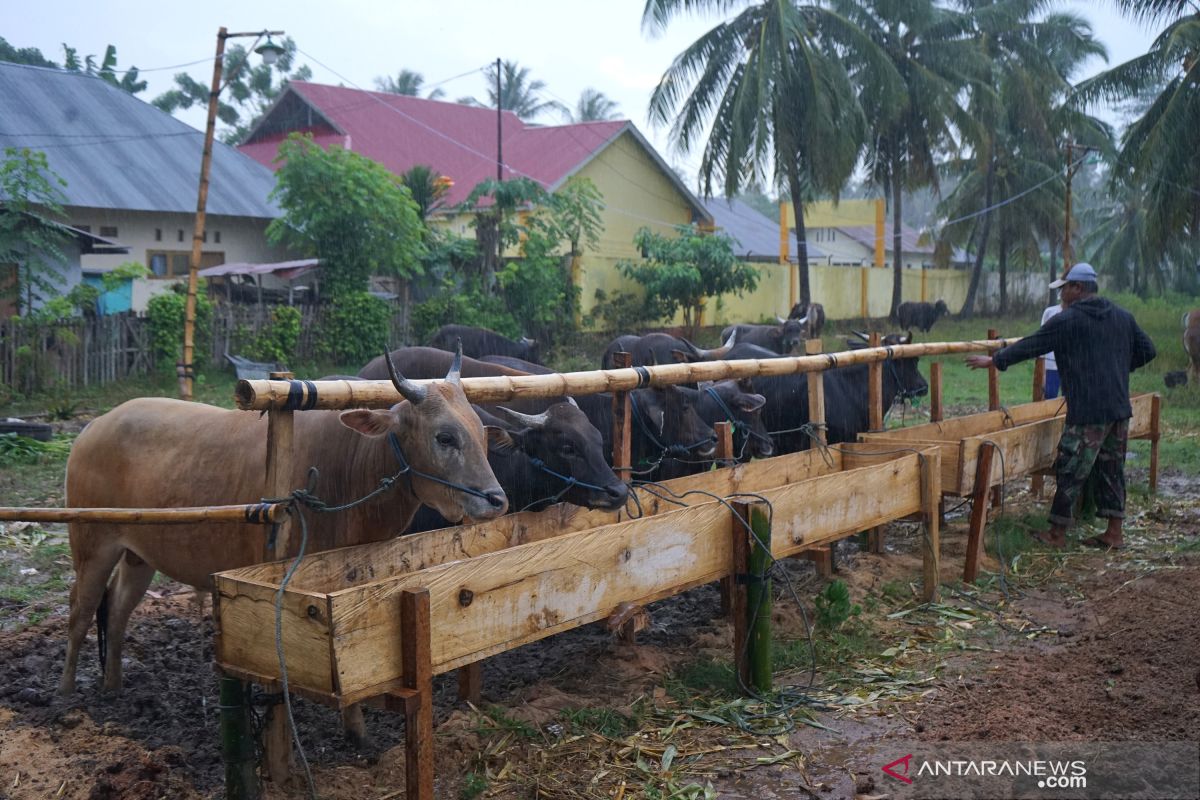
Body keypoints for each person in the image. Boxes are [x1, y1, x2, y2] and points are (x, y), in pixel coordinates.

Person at [966, 263, 1156, 549]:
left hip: (1087, 412)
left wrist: (995, 360)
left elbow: (1033, 344)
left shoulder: (1068, 320)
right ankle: (1114, 533)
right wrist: (1117, 369)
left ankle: (1056, 534)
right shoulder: (1122, 317)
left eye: (1064, 288)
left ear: (1077, 288)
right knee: (1112, 469)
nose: (1061, 295)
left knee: (1071, 469)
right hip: (1118, 410)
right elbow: (1148, 350)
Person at [1040, 301, 1064, 398]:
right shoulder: (1050, 312)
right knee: (1049, 395)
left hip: (1072, 365)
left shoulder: (1080, 313)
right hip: (1052, 365)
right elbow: (1041, 337)